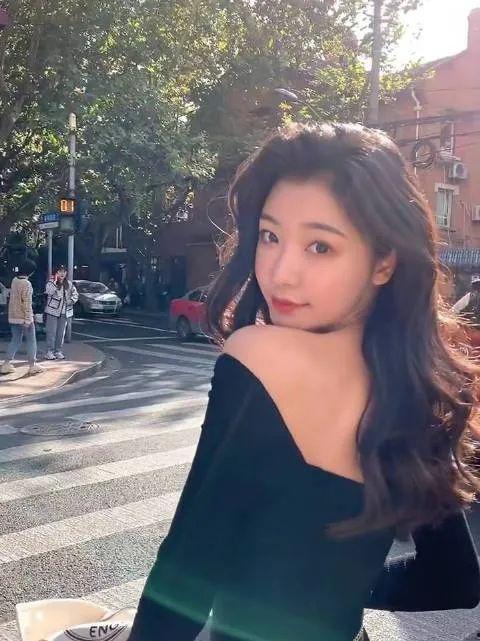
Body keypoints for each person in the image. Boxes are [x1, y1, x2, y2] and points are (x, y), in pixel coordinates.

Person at [129, 123, 480, 641]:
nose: (281, 273)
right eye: (270, 237)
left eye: (320, 246)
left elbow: (183, 578)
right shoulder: (417, 388)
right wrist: (332, 590)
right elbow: (453, 579)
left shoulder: (260, 355)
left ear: (384, 261)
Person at [0, 260, 43, 375]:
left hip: (13, 316)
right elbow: (27, 303)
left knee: (15, 340)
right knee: (31, 340)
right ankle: (32, 365)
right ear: (30, 271)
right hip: (24, 317)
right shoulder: (26, 284)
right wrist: (28, 319)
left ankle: (6, 364)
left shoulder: (15, 280)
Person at [44, 265, 78, 360]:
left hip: (64, 312)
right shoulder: (51, 282)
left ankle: (58, 351)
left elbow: (75, 294)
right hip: (52, 311)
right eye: (59, 271)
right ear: (56, 273)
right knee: (51, 332)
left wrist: (71, 301)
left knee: (61, 333)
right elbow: (49, 292)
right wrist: (54, 281)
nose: (62, 273)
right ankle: (49, 351)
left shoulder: (69, 284)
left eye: (64, 271)